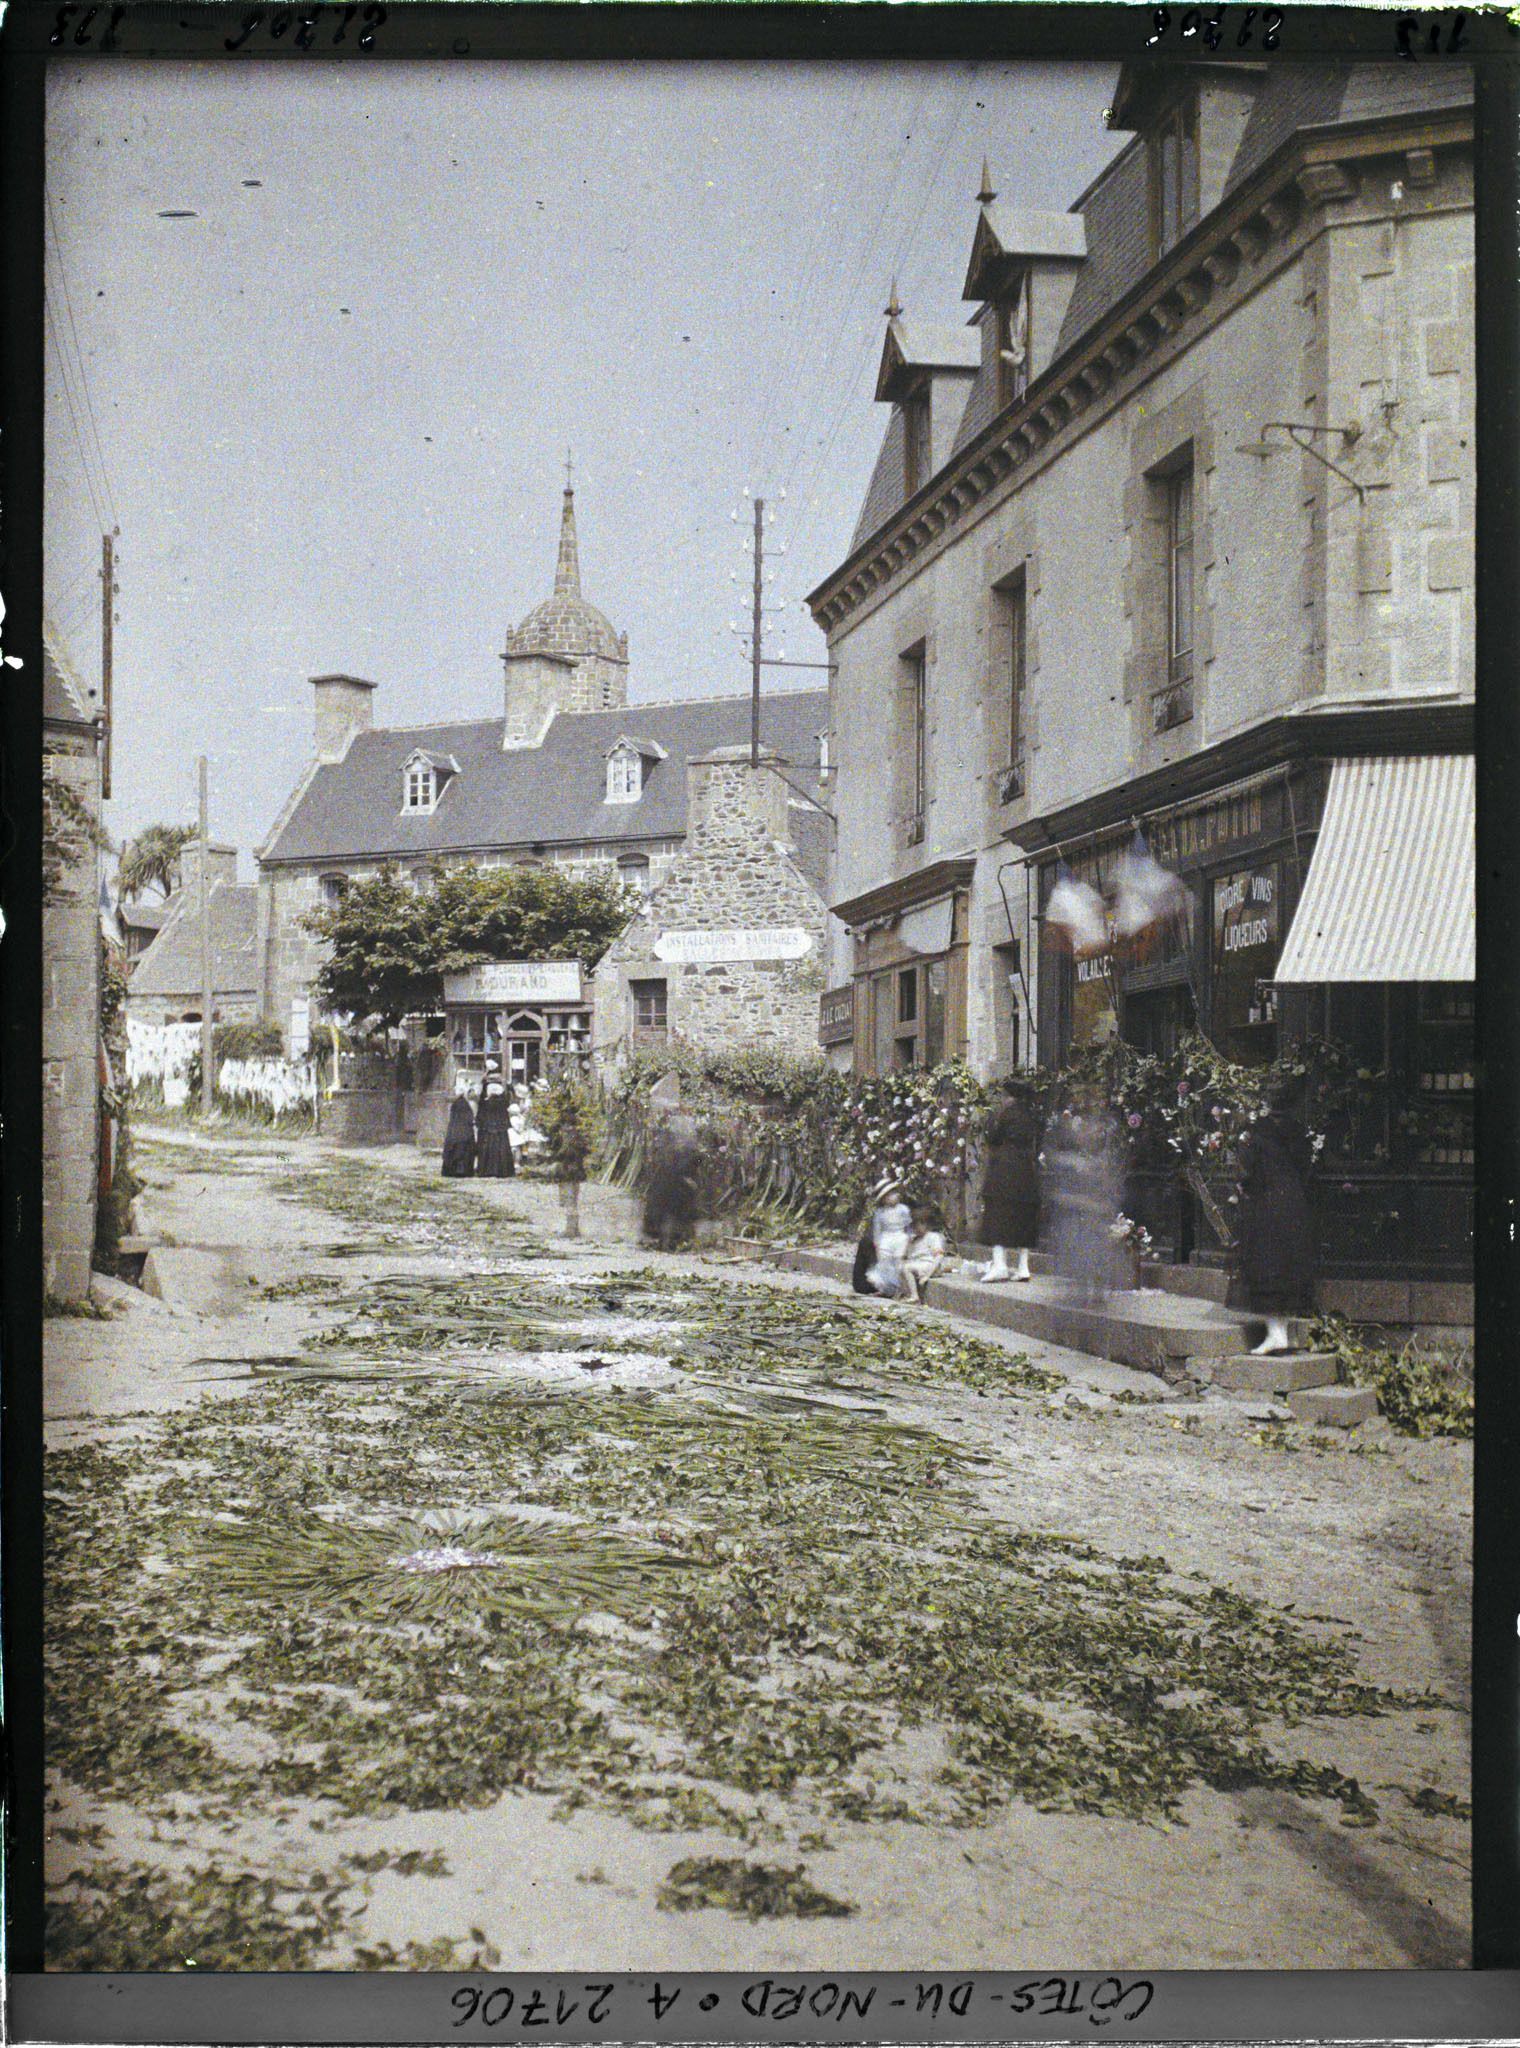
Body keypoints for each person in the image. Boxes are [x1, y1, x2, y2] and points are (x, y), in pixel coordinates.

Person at [1236, 1097, 1316, 1354]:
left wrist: (1244, 1186)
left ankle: (1276, 1334)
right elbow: (1305, 1167)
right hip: (1294, 1201)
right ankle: (1286, 1333)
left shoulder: (1259, 1135)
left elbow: (1251, 1175)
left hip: (1269, 1203)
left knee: (1268, 1265)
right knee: (1288, 1266)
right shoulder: (1299, 1131)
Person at [1040, 1089, 1123, 1303]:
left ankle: (1092, 1291)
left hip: (1089, 1218)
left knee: (1089, 1254)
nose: (1088, 1133)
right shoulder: (1072, 1159)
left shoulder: (1097, 1158)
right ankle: (1086, 1291)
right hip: (1080, 1217)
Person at [977, 1077, 1040, 1283]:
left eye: (1004, 1096)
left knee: (997, 1214)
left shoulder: (1005, 1114)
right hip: (1026, 1170)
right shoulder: (1031, 1115)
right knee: (1024, 1217)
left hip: (1004, 1170)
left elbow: (993, 1137)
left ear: (1010, 1097)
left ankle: (1000, 1265)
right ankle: (1023, 1267)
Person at [642, 1113, 703, 1250]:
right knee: (670, 1215)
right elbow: (678, 1169)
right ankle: (668, 1243)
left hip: (674, 1186)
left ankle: (673, 1242)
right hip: (673, 1187)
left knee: (672, 1215)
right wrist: (687, 1180)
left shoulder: (688, 1151)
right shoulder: (679, 1151)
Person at [853, 1175, 911, 1298]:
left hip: (900, 1238)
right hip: (886, 1241)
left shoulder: (903, 1210)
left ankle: (896, 1288)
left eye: (895, 1193)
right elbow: (878, 1232)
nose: (895, 1196)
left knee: (898, 1260)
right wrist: (878, 1244)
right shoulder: (880, 1213)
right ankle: (885, 1287)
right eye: (890, 1194)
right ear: (884, 1199)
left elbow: (908, 1226)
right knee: (884, 1261)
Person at [901, 1205, 948, 1302]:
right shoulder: (915, 1240)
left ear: (925, 1224)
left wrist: (928, 1275)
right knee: (900, 1266)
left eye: (916, 1225)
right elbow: (907, 1255)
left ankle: (914, 1296)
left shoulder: (932, 1237)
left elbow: (939, 1256)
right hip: (918, 1265)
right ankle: (905, 1293)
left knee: (907, 1268)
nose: (914, 1228)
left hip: (930, 1265)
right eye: (912, 1226)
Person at [475, 1072, 517, 1179]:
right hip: (500, 1129)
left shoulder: (485, 1103)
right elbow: (508, 1096)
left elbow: (480, 1113)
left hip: (487, 1129)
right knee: (501, 1149)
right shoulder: (502, 1102)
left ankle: (486, 1170)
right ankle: (502, 1170)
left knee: (487, 1150)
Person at [440, 1076, 477, 1178]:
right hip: (463, 1129)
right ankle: (463, 1170)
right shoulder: (464, 1103)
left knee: (457, 1146)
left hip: (457, 1129)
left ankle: (454, 1170)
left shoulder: (460, 1102)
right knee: (463, 1147)